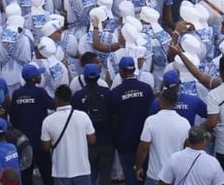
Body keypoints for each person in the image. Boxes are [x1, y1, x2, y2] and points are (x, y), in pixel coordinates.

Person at [41, 84, 96, 185]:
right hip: (82, 169)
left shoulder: (48, 121)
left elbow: (46, 147)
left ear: (56, 99)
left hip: (60, 172)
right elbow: (92, 140)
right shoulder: (83, 116)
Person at [112, 56, 155, 185]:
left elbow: (113, 118)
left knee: (130, 174)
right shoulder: (146, 88)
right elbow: (151, 112)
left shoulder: (115, 92)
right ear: (134, 69)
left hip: (124, 140)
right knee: (143, 172)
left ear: (121, 70)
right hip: (144, 139)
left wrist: (115, 139)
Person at [138, 86, 192, 185]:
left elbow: (143, 148)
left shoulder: (151, 121)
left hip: (155, 175)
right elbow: (188, 148)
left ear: (161, 101)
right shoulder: (185, 123)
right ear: (175, 103)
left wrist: (138, 167)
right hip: (176, 176)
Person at [72, 64, 115, 185]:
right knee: (105, 176)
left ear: (84, 78)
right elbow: (114, 115)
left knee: (88, 175)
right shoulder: (107, 93)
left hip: (86, 143)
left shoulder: (78, 96)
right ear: (98, 77)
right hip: (106, 141)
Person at [158, 128, 224, 185]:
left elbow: (163, 182)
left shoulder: (174, 157)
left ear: (188, 140)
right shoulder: (213, 162)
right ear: (204, 141)